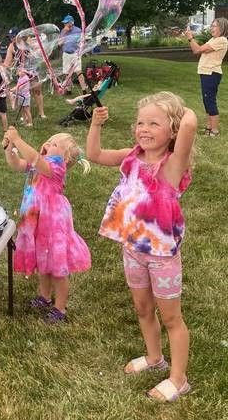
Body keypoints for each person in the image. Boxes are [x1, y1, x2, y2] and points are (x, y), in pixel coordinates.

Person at [86, 92, 197, 402]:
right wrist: (95, 124)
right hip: (133, 250)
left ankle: (179, 379)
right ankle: (154, 358)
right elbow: (94, 155)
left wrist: (174, 107)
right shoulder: (131, 158)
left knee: (171, 318)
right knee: (142, 308)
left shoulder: (173, 165)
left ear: (172, 130)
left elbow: (190, 121)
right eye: (140, 122)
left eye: (153, 123)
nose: (143, 128)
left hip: (162, 258)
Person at [2, 127, 91, 323]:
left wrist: (18, 139)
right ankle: (44, 296)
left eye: (55, 144)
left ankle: (60, 308)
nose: (48, 144)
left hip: (53, 225)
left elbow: (34, 158)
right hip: (37, 223)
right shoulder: (38, 165)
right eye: (49, 141)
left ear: (65, 159)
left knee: (57, 268)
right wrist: (9, 149)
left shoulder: (56, 168)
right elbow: (16, 164)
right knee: (43, 262)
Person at [185, 17, 228, 137]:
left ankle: (215, 131)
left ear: (222, 27)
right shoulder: (213, 40)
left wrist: (190, 38)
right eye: (212, 26)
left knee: (210, 101)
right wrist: (191, 40)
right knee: (206, 100)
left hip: (212, 73)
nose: (211, 28)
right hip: (206, 73)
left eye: (214, 26)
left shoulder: (222, 40)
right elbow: (195, 50)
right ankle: (209, 128)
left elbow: (198, 50)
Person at [4, 27, 46, 119]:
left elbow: (38, 50)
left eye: (13, 37)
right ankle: (26, 115)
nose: (11, 39)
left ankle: (41, 113)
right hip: (22, 73)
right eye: (10, 37)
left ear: (19, 35)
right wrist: (2, 69)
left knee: (37, 91)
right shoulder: (12, 46)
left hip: (33, 70)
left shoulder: (27, 40)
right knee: (23, 93)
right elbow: (7, 61)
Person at [59, 15, 88, 95]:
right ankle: (68, 90)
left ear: (71, 23)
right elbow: (60, 43)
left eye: (66, 23)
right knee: (67, 73)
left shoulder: (78, 30)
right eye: (64, 23)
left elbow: (83, 42)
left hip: (75, 54)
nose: (65, 25)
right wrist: (64, 32)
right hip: (66, 54)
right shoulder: (63, 31)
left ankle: (84, 90)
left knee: (79, 72)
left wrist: (81, 48)